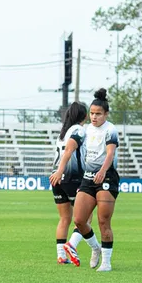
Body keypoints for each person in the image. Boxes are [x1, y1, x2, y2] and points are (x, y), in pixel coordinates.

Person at [73, 89, 119, 272]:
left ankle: (106, 262)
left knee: (103, 220)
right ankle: (95, 248)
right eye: (92, 113)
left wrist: (102, 170)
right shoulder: (86, 130)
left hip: (106, 177)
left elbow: (110, 153)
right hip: (88, 177)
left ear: (106, 114)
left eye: (98, 114)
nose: (94, 117)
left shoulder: (110, 129)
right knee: (78, 220)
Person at [49, 102, 94, 266]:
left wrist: (57, 172)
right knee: (86, 217)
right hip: (71, 177)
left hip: (56, 179)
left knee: (64, 218)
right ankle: (71, 245)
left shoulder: (63, 133)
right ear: (84, 116)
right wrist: (61, 171)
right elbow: (69, 150)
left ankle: (61, 255)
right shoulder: (78, 130)